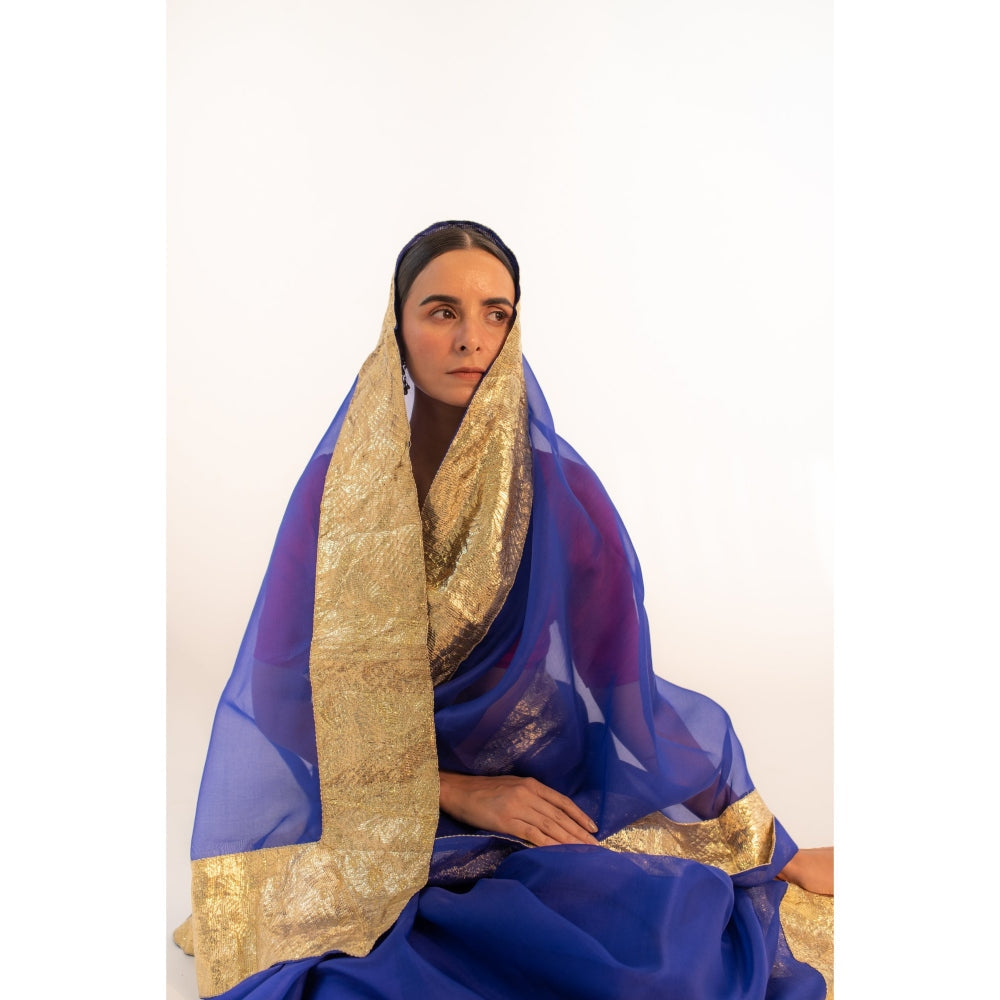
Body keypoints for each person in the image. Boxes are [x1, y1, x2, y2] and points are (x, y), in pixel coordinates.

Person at [175, 221, 834, 999]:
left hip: (542, 786)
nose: (472, 338)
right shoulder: (337, 500)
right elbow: (283, 702)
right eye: (442, 311)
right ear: (396, 327)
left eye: (497, 313)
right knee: (385, 972)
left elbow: (629, 696)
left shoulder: (561, 492)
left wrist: (776, 849)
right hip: (384, 804)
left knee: (647, 945)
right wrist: (454, 790)